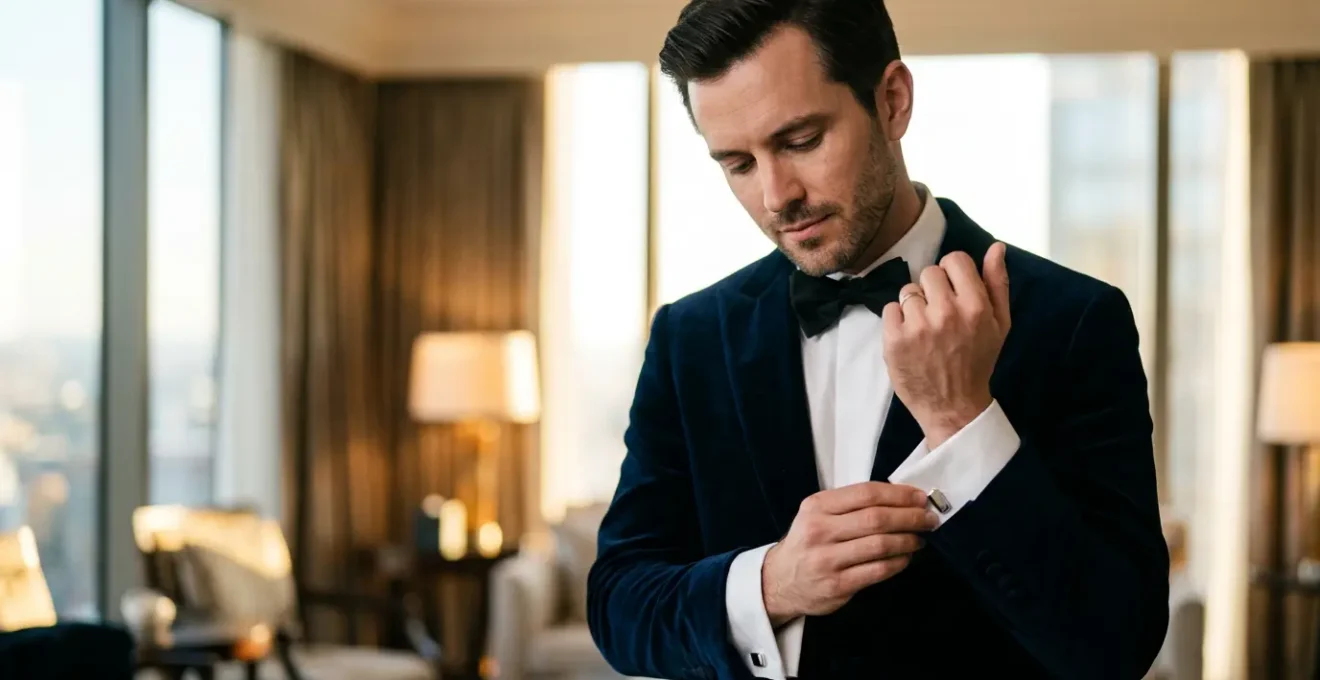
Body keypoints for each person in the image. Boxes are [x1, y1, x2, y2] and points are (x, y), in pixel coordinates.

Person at [586, 0, 1170, 678]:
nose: (777, 196)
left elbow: (1115, 644)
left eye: (800, 140)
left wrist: (961, 422)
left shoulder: (1073, 320)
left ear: (892, 101)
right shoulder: (689, 338)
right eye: (738, 163)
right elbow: (618, 603)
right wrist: (772, 583)